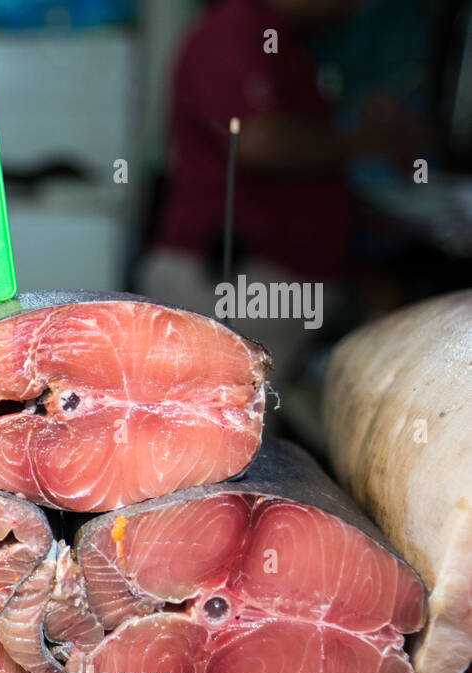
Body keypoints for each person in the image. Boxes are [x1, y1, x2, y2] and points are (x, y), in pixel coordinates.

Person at [138, 0, 420, 394]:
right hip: (229, 281)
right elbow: (258, 140)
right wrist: (364, 143)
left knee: (249, 432)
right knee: (218, 432)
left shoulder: (290, 43)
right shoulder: (236, 29)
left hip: (271, 287)